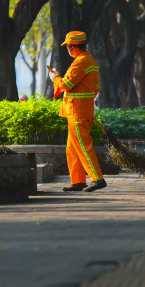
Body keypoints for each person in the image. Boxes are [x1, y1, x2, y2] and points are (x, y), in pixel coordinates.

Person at [48, 31, 106, 192]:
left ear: (73, 48)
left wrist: (55, 77)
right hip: (81, 110)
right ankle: (78, 182)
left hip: (77, 111)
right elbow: (96, 88)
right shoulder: (91, 62)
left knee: (82, 145)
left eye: (67, 47)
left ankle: (97, 178)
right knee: (72, 148)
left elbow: (66, 84)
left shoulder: (80, 62)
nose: (67, 49)